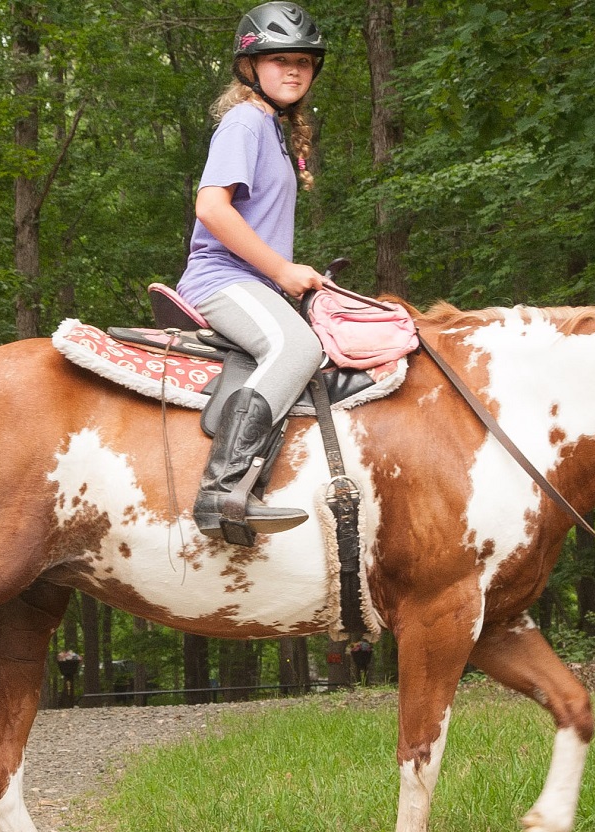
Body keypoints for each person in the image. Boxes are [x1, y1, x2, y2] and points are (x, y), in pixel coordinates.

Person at [176, 2, 327, 546]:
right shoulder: (245, 121)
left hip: (253, 283)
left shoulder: (274, 130)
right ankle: (222, 490)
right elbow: (212, 208)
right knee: (298, 350)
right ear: (250, 67)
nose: (293, 70)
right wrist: (284, 270)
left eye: (304, 62)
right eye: (279, 59)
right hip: (221, 278)